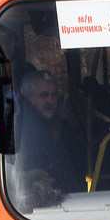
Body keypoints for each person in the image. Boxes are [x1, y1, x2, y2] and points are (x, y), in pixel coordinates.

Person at [10, 70, 85, 207]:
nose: (51, 101)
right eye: (44, 95)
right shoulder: (25, 128)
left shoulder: (55, 126)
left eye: (54, 95)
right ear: (28, 97)